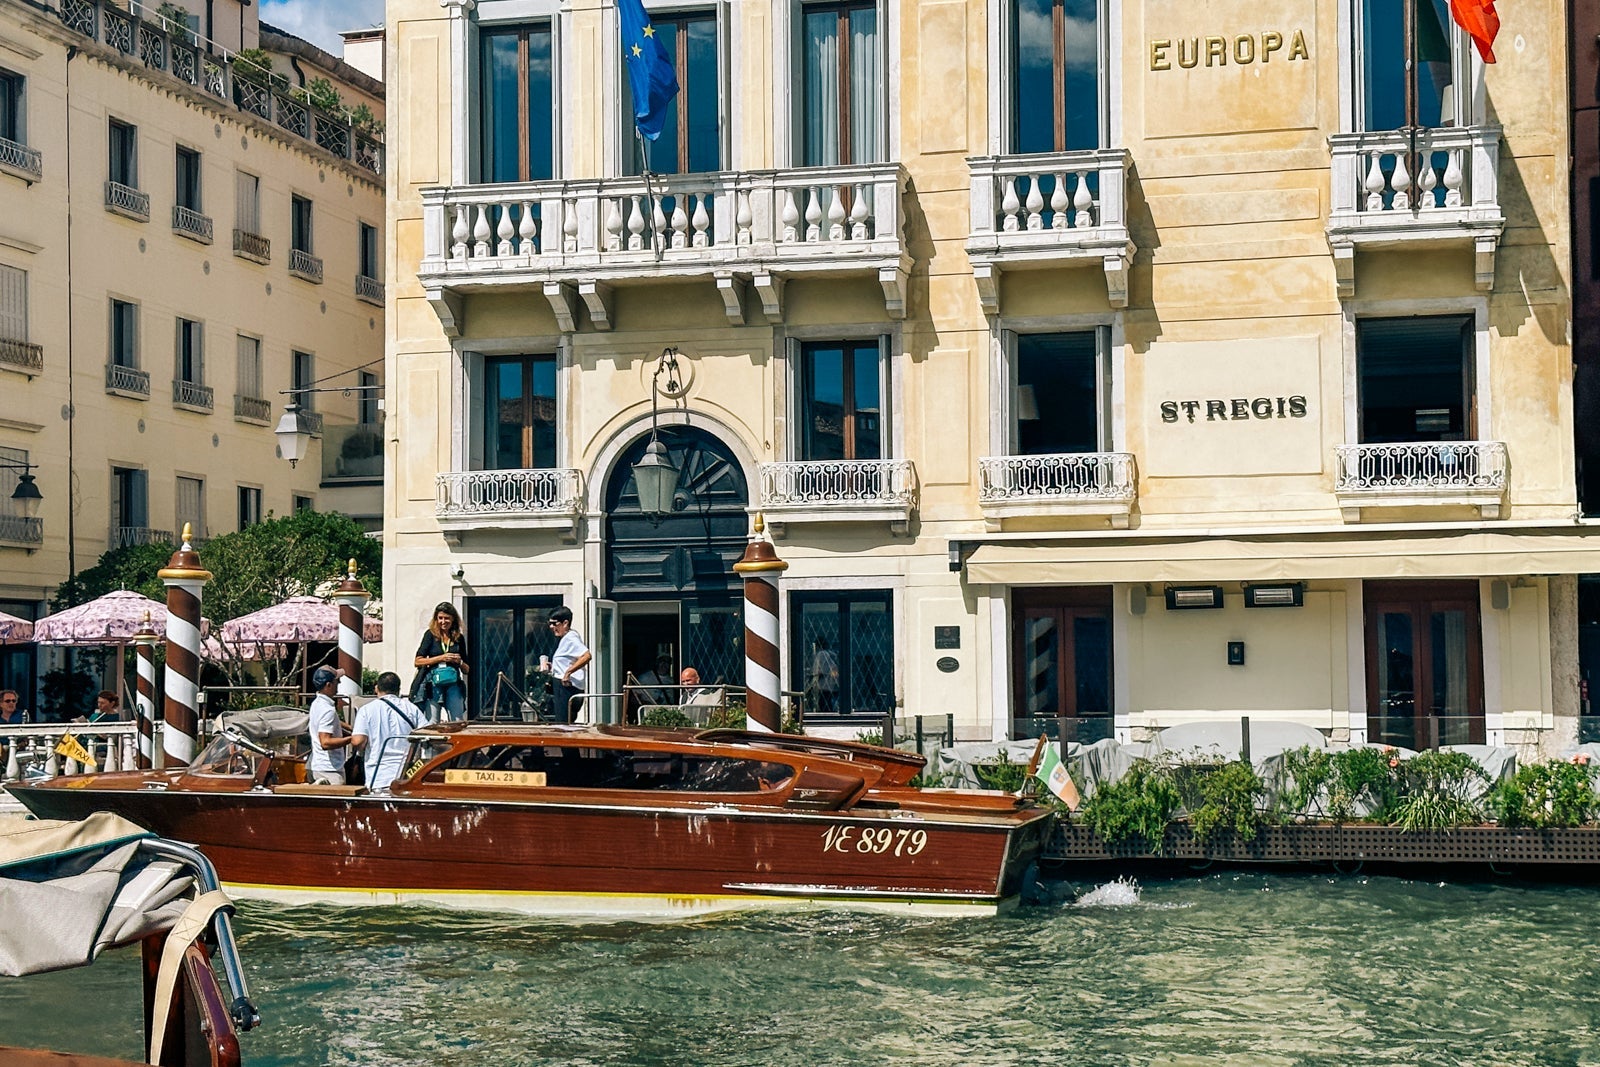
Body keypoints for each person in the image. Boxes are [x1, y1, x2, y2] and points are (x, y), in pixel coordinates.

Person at [351, 672, 426, 792]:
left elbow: (357, 741)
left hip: (378, 776)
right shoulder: (412, 708)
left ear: (377, 688)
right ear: (398, 689)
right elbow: (427, 734)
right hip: (406, 774)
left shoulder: (366, 710)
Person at [414, 602, 468, 722]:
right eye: (440, 618)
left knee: (457, 720)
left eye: (447, 618)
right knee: (433, 721)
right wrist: (441, 658)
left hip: (453, 683)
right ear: (436, 619)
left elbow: (467, 669)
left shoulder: (458, 637)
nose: (443, 622)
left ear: (453, 619)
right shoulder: (430, 635)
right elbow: (417, 661)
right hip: (433, 683)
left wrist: (459, 662)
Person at [307, 666, 356, 785]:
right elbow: (325, 742)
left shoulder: (316, 704)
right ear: (328, 685)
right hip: (331, 769)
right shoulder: (328, 710)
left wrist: (350, 728)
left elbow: (329, 721)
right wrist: (351, 739)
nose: (339, 683)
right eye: (337, 680)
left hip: (317, 765)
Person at [547, 606, 591, 724]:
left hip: (566, 687)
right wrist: (553, 667)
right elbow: (567, 660)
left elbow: (586, 656)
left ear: (565, 623)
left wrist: (568, 672)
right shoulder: (565, 638)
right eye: (549, 624)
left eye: (554, 623)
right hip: (563, 685)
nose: (551, 627)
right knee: (564, 721)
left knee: (563, 722)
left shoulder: (571, 638)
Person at [809, 637, 840, 715]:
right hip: (830, 686)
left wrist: (816, 675)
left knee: (824, 707)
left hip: (825, 686)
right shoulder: (831, 654)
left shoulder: (822, 654)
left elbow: (826, 669)